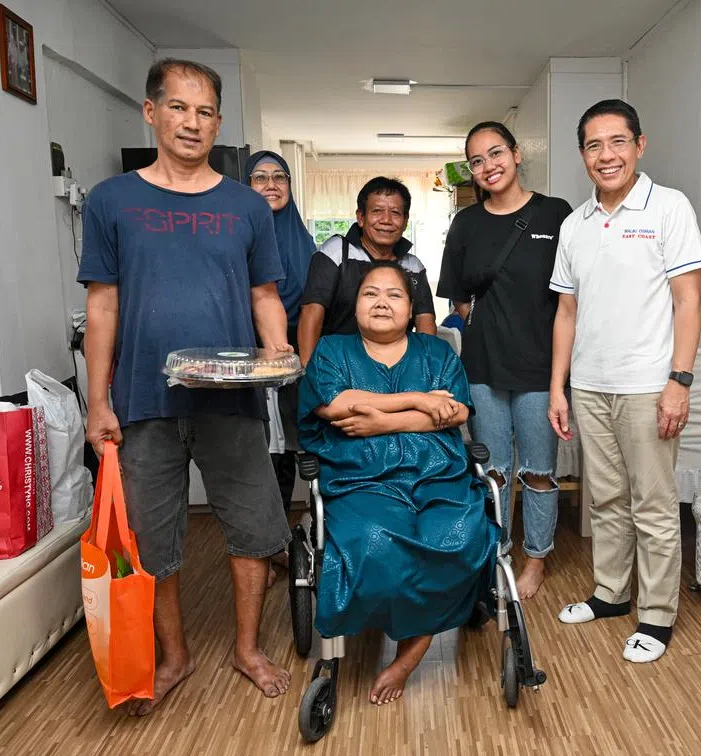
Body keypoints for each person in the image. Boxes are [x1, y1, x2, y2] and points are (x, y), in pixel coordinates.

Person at [77, 58, 294, 713]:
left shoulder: (246, 206)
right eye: (178, 107)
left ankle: (247, 648)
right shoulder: (111, 201)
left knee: (254, 529)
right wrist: (98, 401)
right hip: (143, 401)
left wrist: (278, 350)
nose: (191, 123)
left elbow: (264, 294)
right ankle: (175, 655)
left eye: (204, 112)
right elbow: (102, 306)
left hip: (232, 399)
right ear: (151, 112)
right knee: (153, 538)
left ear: (218, 123)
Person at [548, 99, 701, 664]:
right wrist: (558, 387)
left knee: (654, 506)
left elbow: (688, 301)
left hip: (648, 385)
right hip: (590, 385)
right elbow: (566, 312)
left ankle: (657, 615)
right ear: (583, 155)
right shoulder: (575, 225)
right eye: (594, 145)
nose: (606, 155)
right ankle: (611, 594)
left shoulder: (669, 207)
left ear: (640, 144)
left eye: (618, 141)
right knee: (607, 498)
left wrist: (679, 381)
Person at [297, 261, 499, 706]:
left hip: (439, 474)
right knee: (373, 541)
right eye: (370, 294)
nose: (382, 302)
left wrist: (381, 421)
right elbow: (336, 405)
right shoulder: (332, 350)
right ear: (355, 305)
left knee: (459, 536)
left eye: (394, 295)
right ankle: (411, 632)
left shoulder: (436, 353)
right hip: (360, 478)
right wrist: (420, 400)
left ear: (410, 308)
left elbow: (457, 412)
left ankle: (410, 655)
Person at [437, 121, 572, 600]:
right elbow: (459, 299)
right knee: (491, 472)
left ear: (516, 154)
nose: (488, 166)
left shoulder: (555, 213)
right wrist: (492, 328)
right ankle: (499, 553)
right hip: (484, 367)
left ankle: (536, 558)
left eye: (495, 153)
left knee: (538, 471)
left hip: (540, 370)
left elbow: (570, 297)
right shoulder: (467, 223)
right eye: (476, 161)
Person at [243, 150, 314, 583]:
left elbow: (316, 302)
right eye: (259, 177)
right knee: (256, 457)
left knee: (290, 454)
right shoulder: (237, 235)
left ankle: (284, 548)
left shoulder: (304, 242)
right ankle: (261, 552)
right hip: (248, 361)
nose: (271, 184)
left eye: (279, 177)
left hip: (296, 362)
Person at [297, 177, 437, 365]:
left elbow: (425, 320)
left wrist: (427, 368)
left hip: (395, 367)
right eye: (377, 211)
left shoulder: (413, 265)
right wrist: (310, 369)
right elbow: (312, 311)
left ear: (405, 222)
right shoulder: (337, 252)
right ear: (361, 217)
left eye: (395, 213)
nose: (386, 220)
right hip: (336, 365)